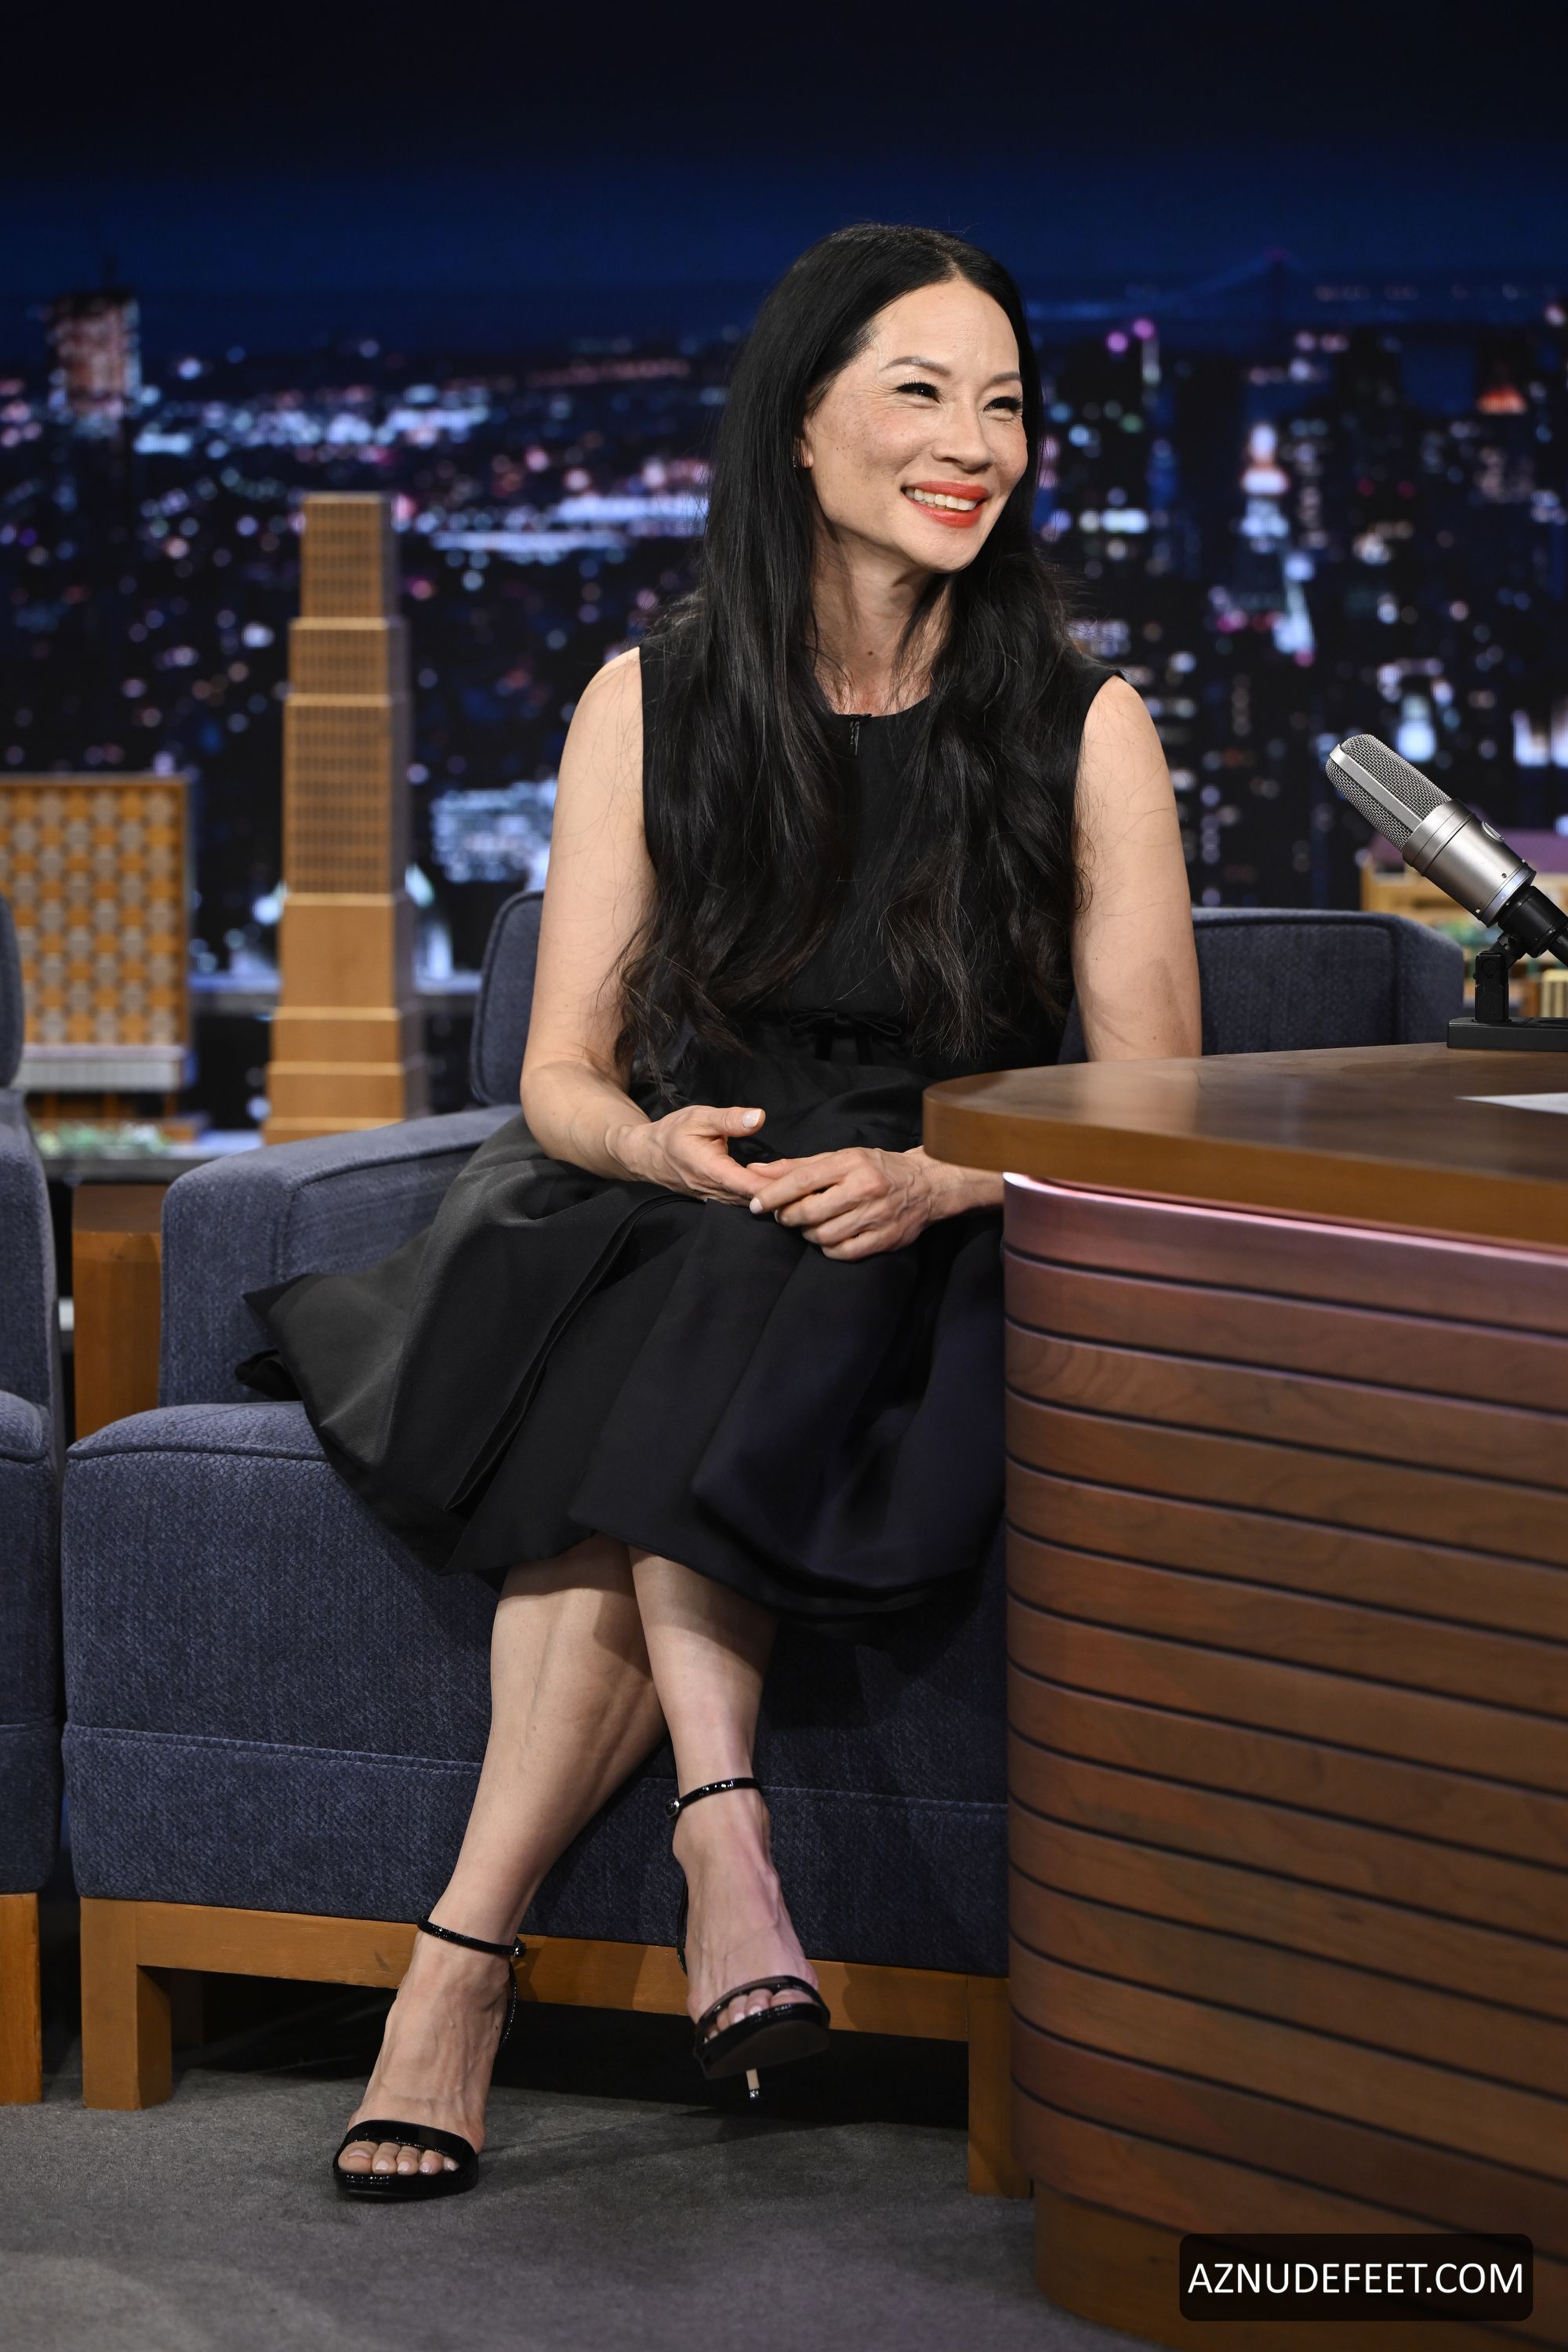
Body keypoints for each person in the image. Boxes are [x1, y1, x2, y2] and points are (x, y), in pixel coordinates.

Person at [239, 221, 1201, 2199]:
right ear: (798, 426)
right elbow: (566, 1079)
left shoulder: (1082, 723)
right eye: (920, 393)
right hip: (680, 1188)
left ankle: (462, 1968)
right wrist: (657, 1147)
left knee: (735, 1296)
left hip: (934, 1221)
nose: (974, 443)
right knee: (713, 1252)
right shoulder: (648, 699)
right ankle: (722, 1832)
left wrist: (948, 1175)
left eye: (1005, 403)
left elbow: (1148, 1114)